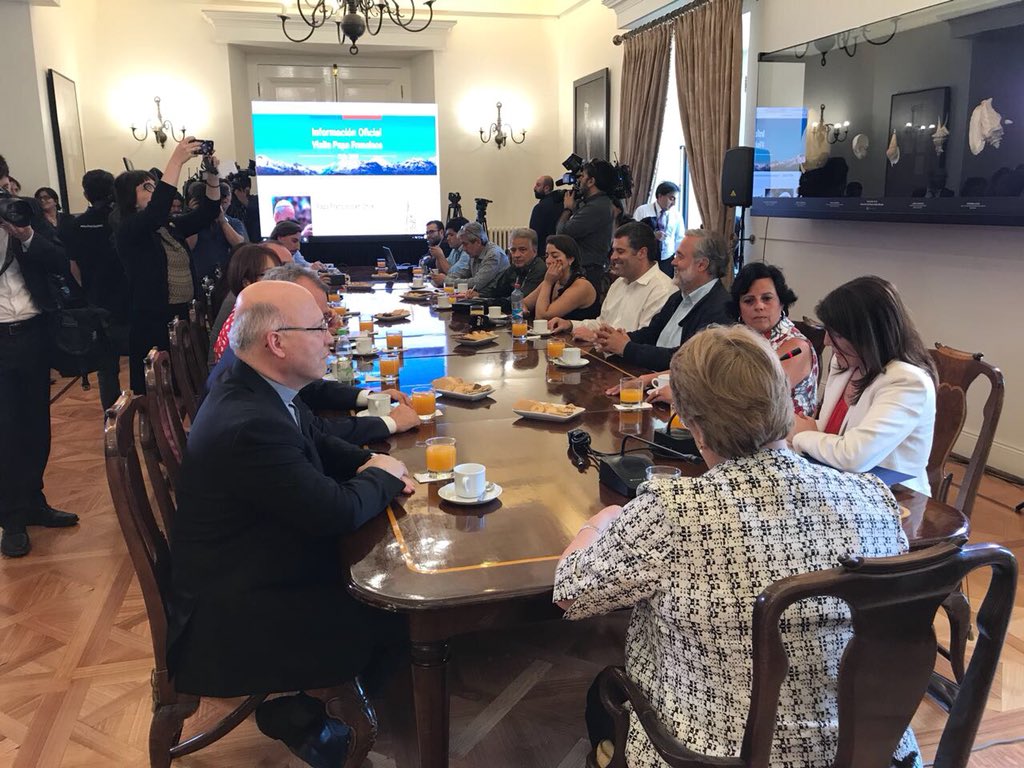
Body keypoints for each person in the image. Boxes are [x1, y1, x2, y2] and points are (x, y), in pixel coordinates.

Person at [553, 324, 920, 768]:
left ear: (689, 422)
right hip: (868, 752)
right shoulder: (872, 497)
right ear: (783, 400)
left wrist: (601, 521)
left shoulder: (674, 511)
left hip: (709, 756)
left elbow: (571, 593)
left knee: (601, 696)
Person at [168, 279, 414, 766]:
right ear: (276, 342)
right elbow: (335, 513)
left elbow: (315, 438)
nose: (331, 336)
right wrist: (384, 474)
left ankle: (308, 712)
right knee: (399, 609)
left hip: (243, 566)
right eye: (319, 327)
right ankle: (309, 719)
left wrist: (367, 463)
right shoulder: (248, 423)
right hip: (238, 612)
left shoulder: (254, 382)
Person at [207, 263, 420, 445]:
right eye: (317, 323)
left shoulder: (256, 360)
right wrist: (390, 423)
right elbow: (315, 433)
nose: (329, 338)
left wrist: (371, 397)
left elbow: (312, 394)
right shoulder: (254, 420)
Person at [789, 276, 937, 496]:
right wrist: (798, 428)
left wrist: (800, 435)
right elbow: (832, 432)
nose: (827, 341)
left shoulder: (908, 381)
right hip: (842, 483)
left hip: (894, 498)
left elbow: (854, 456)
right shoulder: (846, 363)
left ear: (869, 335)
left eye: (836, 334)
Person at [0, 156, 79, 558]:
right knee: (6, 431)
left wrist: (27, 233)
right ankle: (11, 519)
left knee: (37, 425)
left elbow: (59, 261)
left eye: (3, 185)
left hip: (33, 333)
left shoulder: (24, 213)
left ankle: (34, 501)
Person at [114, 136, 221, 393]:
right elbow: (156, 211)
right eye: (147, 187)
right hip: (153, 321)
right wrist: (176, 161)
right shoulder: (129, 228)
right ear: (130, 198)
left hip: (181, 316)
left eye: (154, 186)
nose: (154, 191)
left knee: (188, 385)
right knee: (160, 391)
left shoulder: (168, 226)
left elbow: (207, 213)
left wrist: (212, 175)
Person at [645, 262, 817, 414]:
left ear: (781, 302)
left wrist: (683, 398)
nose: (759, 306)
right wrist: (645, 380)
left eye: (767, 298)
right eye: (749, 301)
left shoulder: (796, 347)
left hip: (780, 436)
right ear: (738, 308)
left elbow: (752, 399)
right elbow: (700, 368)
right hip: (733, 427)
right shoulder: (739, 335)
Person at [595, 229, 732, 371]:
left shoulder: (721, 308)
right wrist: (616, 338)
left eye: (680, 257)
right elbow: (651, 333)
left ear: (702, 265)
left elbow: (686, 358)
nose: (673, 262)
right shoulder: (678, 298)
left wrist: (626, 347)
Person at [61, 169, 130, 411]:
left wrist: (89, 290)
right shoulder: (121, 220)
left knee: (106, 368)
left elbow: (73, 266)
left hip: (96, 301)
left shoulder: (76, 224)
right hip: (127, 297)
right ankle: (148, 411)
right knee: (142, 357)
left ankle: (111, 418)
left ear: (85, 194)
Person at [549, 221, 675, 341]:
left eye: (620, 251)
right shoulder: (619, 283)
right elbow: (602, 323)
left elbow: (645, 339)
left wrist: (595, 336)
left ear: (642, 253)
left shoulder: (662, 289)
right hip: (603, 353)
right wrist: (570, 325)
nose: (613, 257)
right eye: (613, 250)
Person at [208, 243, 281, 365]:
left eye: (278, 273)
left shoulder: (256, 309)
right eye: (269, 274)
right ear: (247, 282)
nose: (277, 280)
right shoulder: (249, 320)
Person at [555, 160, 616, 289]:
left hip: (588, 271)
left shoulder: (596, 207)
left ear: (591, 181)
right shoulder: (595, 203)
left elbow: (562, 235)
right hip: (586, 269)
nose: (579, 180)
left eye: (582, 176)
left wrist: (567, 209)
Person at [184, 180, 248, 281]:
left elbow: (239, 245)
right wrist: (194, 215)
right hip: (197, 277)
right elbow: (189, 246)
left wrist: (222, 220)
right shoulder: (191, 222)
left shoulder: (233, 222)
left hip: (224, 277)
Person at [523, 234, 598, 321]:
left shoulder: (581, 286)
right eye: (547, 256)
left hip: (576, 330)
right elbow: (523, 303)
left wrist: (547, 282)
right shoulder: (553, 280)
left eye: (555, 256)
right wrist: (524, 311)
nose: (548, 261)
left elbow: (542, 318)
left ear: (570, 259)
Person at [467, 227, 546, 301]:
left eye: (522, 250)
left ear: (535, 251)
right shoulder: (513, 268)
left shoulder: (539, 269)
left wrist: (491, 301)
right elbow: (497, 292)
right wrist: (479, 295)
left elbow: (519, 300)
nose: (516, 255)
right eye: (513, 250)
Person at [432, 222, 508, 290]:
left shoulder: (493, 254)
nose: (463, 249)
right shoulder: (474, 253)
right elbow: (462, 274)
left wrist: (446, 281)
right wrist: (441, 279)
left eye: (465, 244)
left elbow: (477, 283)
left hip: (494, 298)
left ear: (478, 242)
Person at [633, 181, 683, 276]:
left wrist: (679, 259)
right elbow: (633, 234)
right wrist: (652, 235)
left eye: (675, 199)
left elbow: (679, 239)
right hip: (646, 259)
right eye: (671, 198)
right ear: (660, 196)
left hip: (667, 259)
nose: (674, 203)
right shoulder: (642, 211)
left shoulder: (676, 215)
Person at [529, 175, 562, 249]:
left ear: (546, 188)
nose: (534, 188)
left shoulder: (540, 208)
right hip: (558, 247)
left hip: (543, 248)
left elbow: (534, 234)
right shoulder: (561, 204)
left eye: (538, 185)